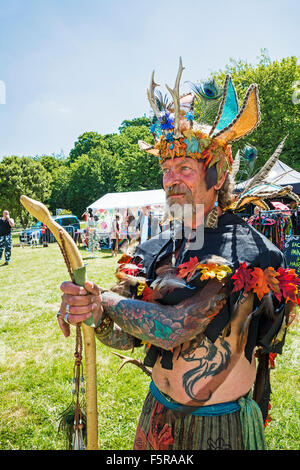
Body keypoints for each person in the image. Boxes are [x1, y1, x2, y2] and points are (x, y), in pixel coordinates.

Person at [58, 62, 299, 450]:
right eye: (166, 168)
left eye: (185, 167)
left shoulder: (246, 249)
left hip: (217, 429)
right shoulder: (155, 248)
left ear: (217, 176)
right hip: (156, 416)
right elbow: (128, 338)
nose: (171, 179)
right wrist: (93, 312)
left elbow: (175, 327)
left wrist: (103, 298)